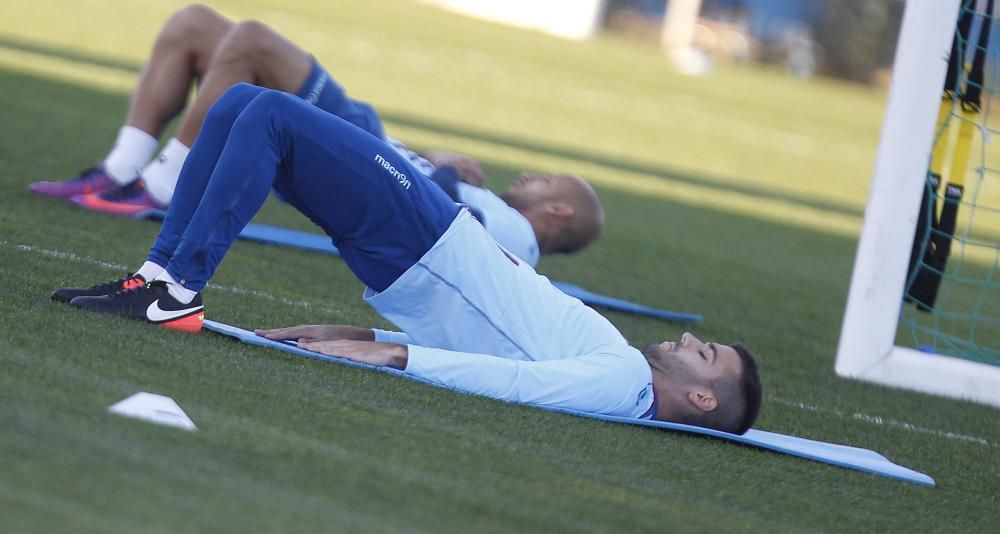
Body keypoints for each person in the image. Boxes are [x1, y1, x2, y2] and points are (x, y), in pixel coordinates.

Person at [53, 83, 762, 434]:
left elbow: (508, 382)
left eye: (709, 358)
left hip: (428, 238)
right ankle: (157, 280)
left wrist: (399, 361)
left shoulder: (620, 387)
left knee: (266, 112)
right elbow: (498, 340)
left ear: (702, 399)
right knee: (242, 102)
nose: (695, 343)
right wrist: (358, 336)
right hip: (419, 253)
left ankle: (174, 287)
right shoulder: (619, 370)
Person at [27, 4, 601, 266]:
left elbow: (452, 231)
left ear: (558, 213)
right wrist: (438, 159)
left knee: (251, 39)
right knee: (194, 24)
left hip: (359, 145)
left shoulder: (518, 237)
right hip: (369, 140)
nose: (528, 175)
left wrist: (443, 170)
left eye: (546, 181)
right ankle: (120, 169)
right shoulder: (499, 205)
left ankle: (158, 187)